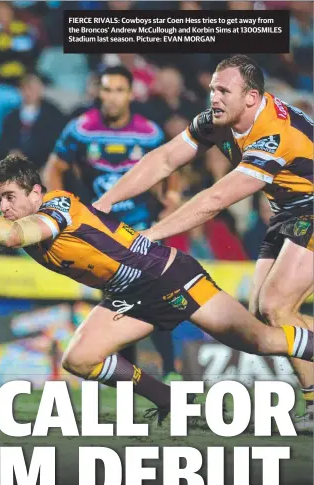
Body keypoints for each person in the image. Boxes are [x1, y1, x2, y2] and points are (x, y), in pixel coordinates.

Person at [0, 154, 314, 424]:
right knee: (79, 360)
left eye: (9, 197)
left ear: (36, 193)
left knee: (259, 340)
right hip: (128, 294)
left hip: (166, 275)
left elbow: (5, 234)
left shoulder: (56, 208)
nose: (3, 206)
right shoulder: (21, 225)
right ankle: (172, 401)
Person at [93, 54, 314, 431]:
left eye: (224, 90)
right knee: (262, 310)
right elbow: (164, 159)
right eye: (213, 88)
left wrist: (148, 236)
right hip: (289, 210)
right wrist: (106, 201)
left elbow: (214, 201)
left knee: (277, 306)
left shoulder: (273, 134)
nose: (214, 97)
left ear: (251, 97)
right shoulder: (218, 120)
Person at [42, 65, 182, 382]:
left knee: (154, 296)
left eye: (120, 90)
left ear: (131, 94)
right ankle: (129, 378)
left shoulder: (149, 132)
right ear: (98, 92)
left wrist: (171, 196)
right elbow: (55, 166)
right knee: (116, 305)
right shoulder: (80, 129)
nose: (113, 97)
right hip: (101, 233)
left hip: (142, 228)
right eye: (107, 89)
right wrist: (56, 204)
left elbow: (171, 165)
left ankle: (172, 372)